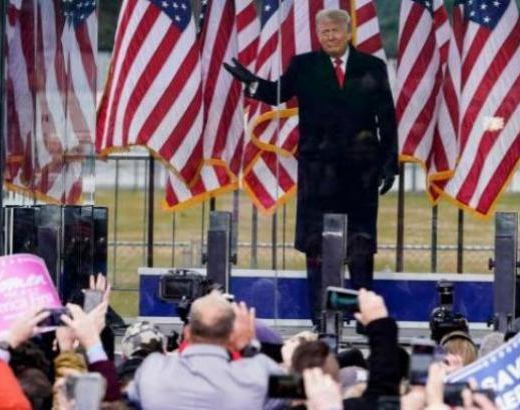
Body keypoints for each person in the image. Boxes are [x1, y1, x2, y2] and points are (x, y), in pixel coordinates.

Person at [224, 8, 398, 327]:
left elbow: (386, 117)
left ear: (348, 32)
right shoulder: (303, 66)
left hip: (360, 174)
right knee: (316, 245)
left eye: (335, 31)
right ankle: (321, 317)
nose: (330, 37)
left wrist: (389, 163)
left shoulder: (372, 67)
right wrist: (252, 84)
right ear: (318, 35)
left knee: (360, 247)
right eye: (324, 32)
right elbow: (277, 93)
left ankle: (365, 317)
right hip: (317, 174)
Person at [126, 293, 281, 409]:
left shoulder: (153, 369)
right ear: (232, 336)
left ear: (187, 333)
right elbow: (294, 388)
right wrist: (250, 347)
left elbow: (129, 394)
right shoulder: (258, 375)